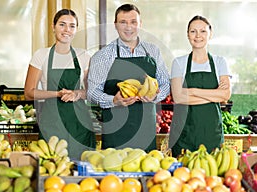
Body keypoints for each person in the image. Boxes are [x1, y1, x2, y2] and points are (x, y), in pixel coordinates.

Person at [87, 4, 170, 152]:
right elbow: (92, 93)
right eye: (123, 22)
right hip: (115, 131)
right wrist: (113, 100)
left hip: (146, 129)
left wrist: (155, 97)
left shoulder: (153, 51)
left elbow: (165, 84)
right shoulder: (103, 55)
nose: (128, 27)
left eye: (133, 22)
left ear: (140, 24)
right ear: (115, 25)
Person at [24, 9, 96, 160]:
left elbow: (92, 91)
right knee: (52, 169)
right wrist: (57, 94)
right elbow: (29, 92)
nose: (66, 30)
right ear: (53, 26)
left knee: (82, 174)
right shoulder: (41, 55)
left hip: (80, 127)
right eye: (62, 24)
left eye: (72, 26)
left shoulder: (83, 56)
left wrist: (77, 94)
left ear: (76, 29)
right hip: (52, 126)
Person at [168, 15, 231, 157]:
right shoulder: (179, 62)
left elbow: (225, 95)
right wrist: (213, 95)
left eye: (203, 31)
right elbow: (178, 97)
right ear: (187, 34)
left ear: (210, 34)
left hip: (211, 134)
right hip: (183, 135)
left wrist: (192, 91)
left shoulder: (220, 62)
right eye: (193, 31)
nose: (198, 36)